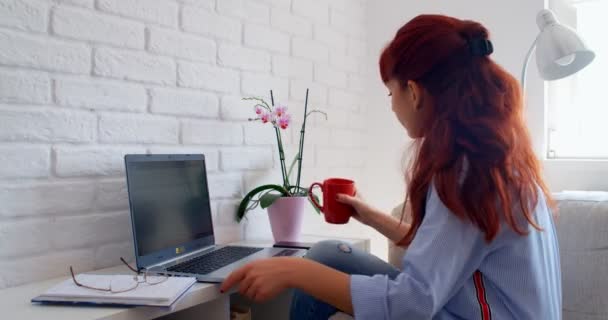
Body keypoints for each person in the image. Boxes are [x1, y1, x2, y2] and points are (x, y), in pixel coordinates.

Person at [220, 14, 562, 320]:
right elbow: (444, 255)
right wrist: (366, 215)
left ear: (413, 91)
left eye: (390, 93)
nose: (392, 106)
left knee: (320, 263)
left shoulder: (468, 174)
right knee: (327, 253)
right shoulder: (494, 157)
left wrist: (293, 272)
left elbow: (411, 305)